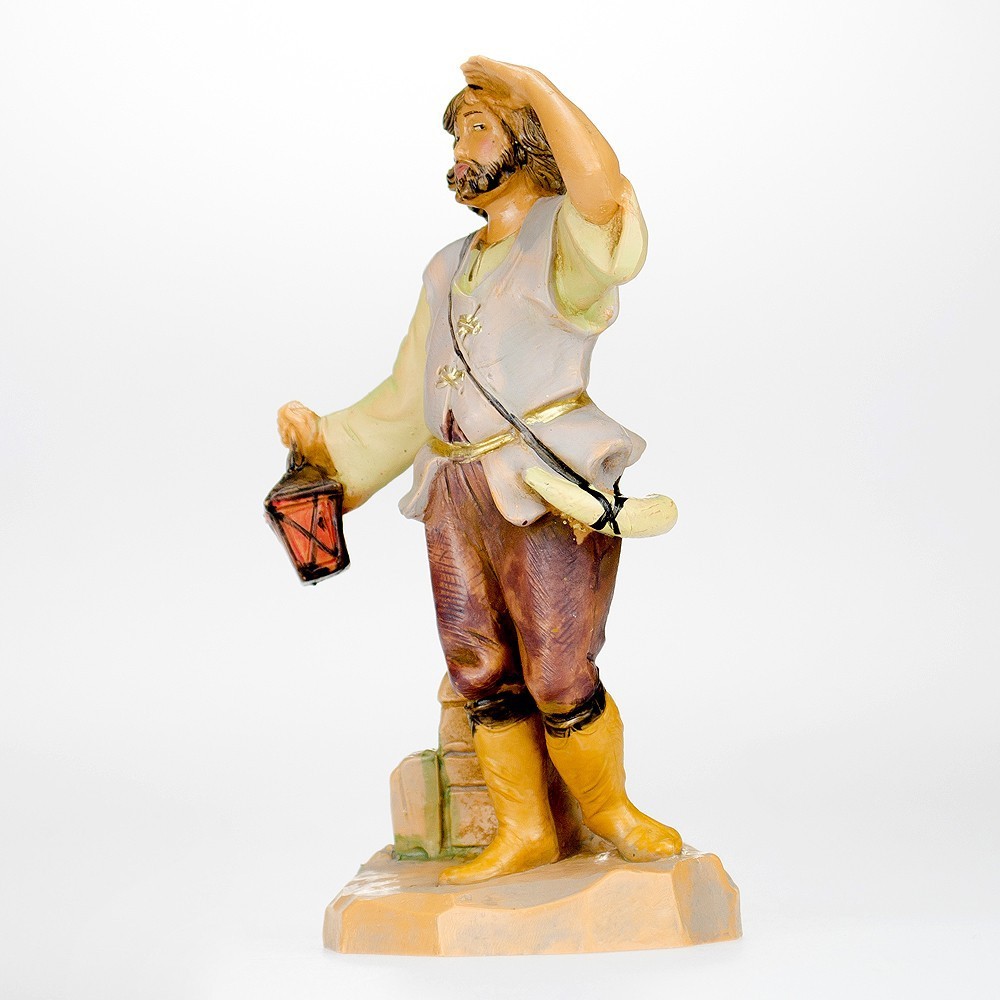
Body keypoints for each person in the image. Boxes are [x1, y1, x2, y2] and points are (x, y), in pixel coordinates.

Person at [278, 56, 682, 884]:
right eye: (457, 134)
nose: (459, 151)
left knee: (559, 667)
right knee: (478, 666)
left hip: (542, 483)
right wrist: (327, 444)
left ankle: (608, 811)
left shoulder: (563, 239)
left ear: (528, 141)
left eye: (478, 129)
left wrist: (535, 86)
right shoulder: (445, 266)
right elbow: (409, 395)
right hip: (453, 487)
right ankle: (523, 828)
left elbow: (603, 192)